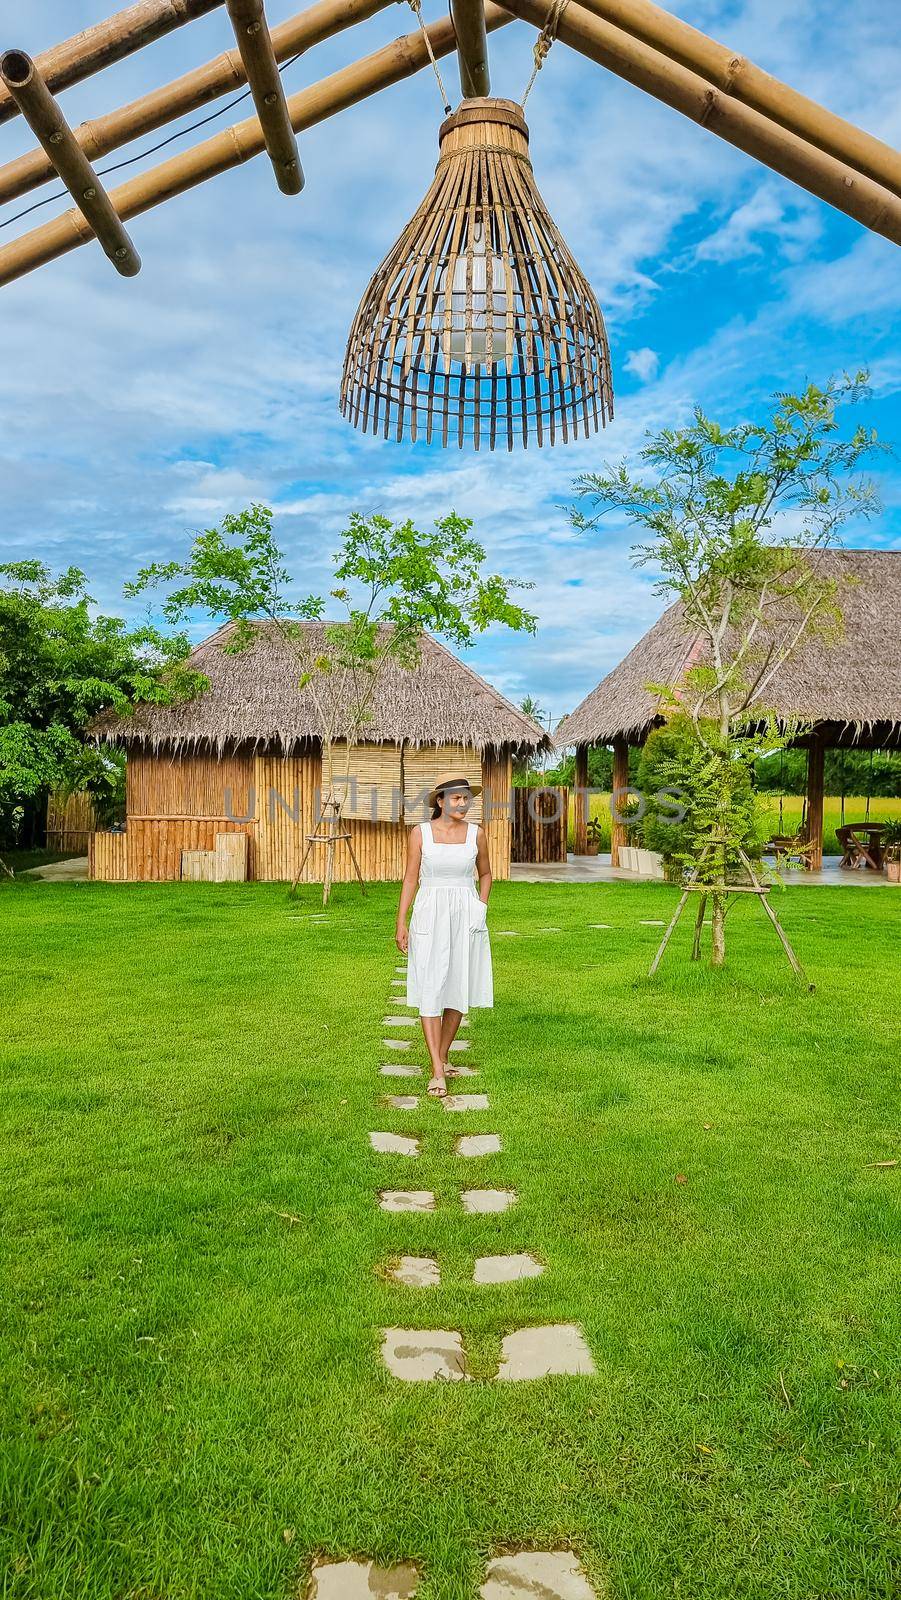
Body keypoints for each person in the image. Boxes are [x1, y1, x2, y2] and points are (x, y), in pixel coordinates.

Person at [396, 770, 493, 1098]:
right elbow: (410, 878)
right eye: (456, 797)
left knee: (458, 985)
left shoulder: (476, 834)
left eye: (466, 798)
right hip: (430, 912)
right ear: (440, 801)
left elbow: (487, 874)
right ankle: (438, 1070)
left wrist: (480, 907)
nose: (463, 803)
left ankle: (442, 1055)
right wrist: (401, 921)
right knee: (431, 985)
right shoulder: (420, 833)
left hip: (466, 913)